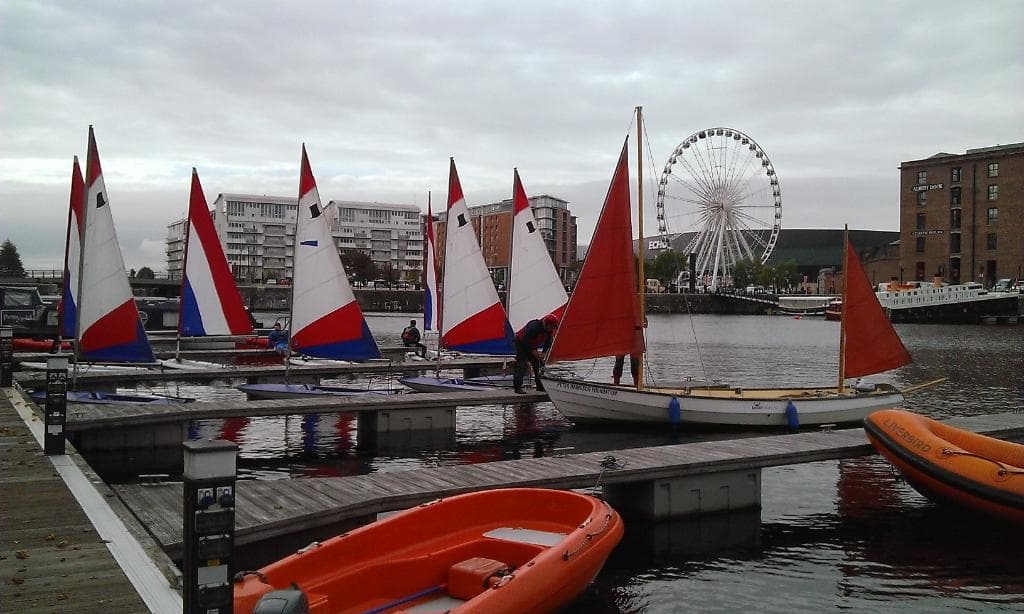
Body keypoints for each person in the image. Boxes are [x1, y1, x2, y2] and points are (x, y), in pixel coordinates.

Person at [513, 313, 559, 394]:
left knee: (537, 365)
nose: (552, 329)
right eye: (552, 326)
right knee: (522, 364)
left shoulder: (549, 331)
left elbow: (548, 342)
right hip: (521, 343)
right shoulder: (535, 327)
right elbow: (526, 340)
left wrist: (543, 353)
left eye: (553, 327)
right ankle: (517, 387)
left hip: (531, 344)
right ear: (547, 323)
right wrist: (534, 351)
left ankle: (540, 386)